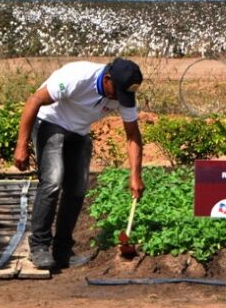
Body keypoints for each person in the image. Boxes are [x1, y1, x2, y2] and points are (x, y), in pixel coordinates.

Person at [13, 57, 145, 270]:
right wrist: (22, 145)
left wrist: (135, 175)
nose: (118, 99)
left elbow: (132, 136)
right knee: (53, 181)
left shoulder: (123, 95)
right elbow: (34, 100)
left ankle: (63, 249)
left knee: (77, 188)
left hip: (79, 131)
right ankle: (39, 246)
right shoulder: (78, 76)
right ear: (108, 78)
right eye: (117, 92)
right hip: (50, 121)